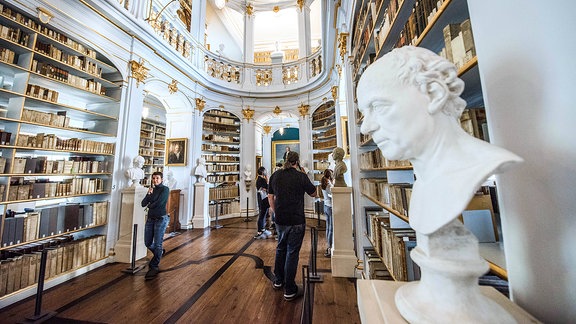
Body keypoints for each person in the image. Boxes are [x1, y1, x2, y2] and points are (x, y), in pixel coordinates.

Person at [357, 45, 523, 235]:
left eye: (378, 107)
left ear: (434, 94)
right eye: (364, 114)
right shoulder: (422, 187)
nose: (365, 127)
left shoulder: (493, 167)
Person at [268, 151, 317, 301]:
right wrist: (305, 175)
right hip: (296, 219)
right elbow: (314, 193)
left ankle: (278, 281)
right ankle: (289, 289)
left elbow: (270, 196)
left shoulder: (275, 175)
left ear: (285, 161)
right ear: (297, 161)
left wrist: (275, 212)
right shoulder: (301, 176)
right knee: (292, 253)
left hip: (280, 219)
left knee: (280, 248)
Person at [141, 171, 170, 280]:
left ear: (161, 179)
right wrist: (148, 195)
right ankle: (160, 253)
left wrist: (150, 205)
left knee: (158, 243)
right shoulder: (151, 190)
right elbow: (143, 203)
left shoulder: (165, 189)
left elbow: (160, 203)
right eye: (153, 178)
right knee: (147, 242)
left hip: (160, 219)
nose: (155, 180)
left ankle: (154, 265)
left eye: (157, 178)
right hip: (150, 219)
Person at [254, 166, 271, 239]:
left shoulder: (258, 179)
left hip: (260, 198)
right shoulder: (262, 180)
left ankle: (262, 229)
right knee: (262, 215)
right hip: (264, 199)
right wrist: (267, 180)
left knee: (263, 214)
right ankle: (260, 231)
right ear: (263, 172)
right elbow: (268, 188)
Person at [321, 169, 334, 257]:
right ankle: (330, 246)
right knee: (331, 228)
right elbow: (333, 193)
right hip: (330, 206)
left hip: (326, 206)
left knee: (328, 227)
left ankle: (328, 246)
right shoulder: (329, 185)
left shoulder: (324, 183)